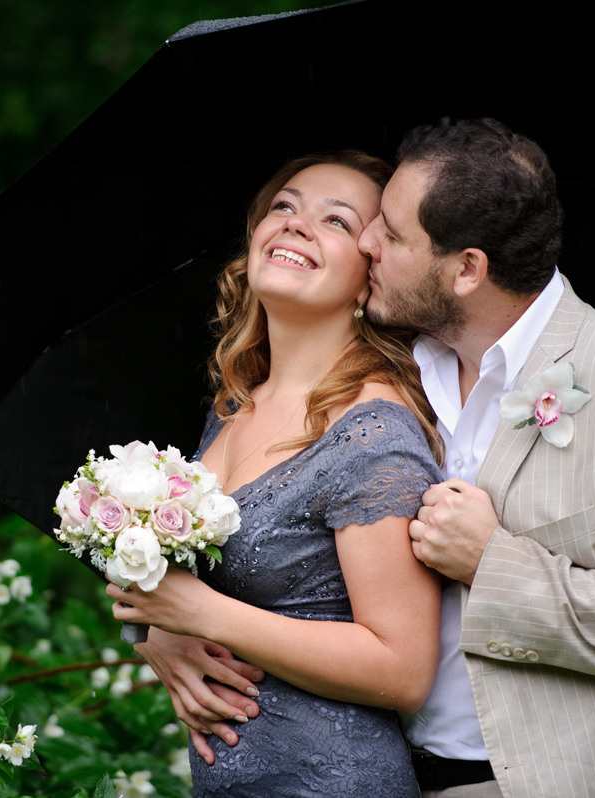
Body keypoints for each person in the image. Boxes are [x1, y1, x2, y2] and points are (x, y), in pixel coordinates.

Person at [141, 118, 595, 797]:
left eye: (390, 234)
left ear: (466, 270)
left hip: (582, 778)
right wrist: (166, 628)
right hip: (404, 772)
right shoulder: (404, 369)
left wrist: (493, 563)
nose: (368, 243)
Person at [104, 150, 445, 796]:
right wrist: (158, 633)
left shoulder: (373, 430)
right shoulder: (232, 409)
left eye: (337, 222)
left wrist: (203, 615)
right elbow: (180, 593)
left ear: (370, 275)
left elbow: (402, 667)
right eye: (283, 206)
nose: (295, 224)